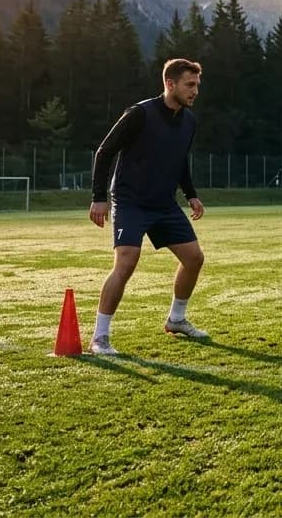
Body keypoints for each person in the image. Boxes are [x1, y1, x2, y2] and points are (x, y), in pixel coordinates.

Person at [87, 58, 209, 356]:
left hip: (164, 203)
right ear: (170, 84)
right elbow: (105, 152)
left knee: (194, 258)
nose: (195, 91)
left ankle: (176, 319)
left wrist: (190, 194)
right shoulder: (139, 114)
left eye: (197, 85)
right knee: (126, 262)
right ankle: (100, 338)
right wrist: (98, 196)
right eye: (189, 85)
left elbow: (179, 160)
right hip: (130, 201)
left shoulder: (190, 121)